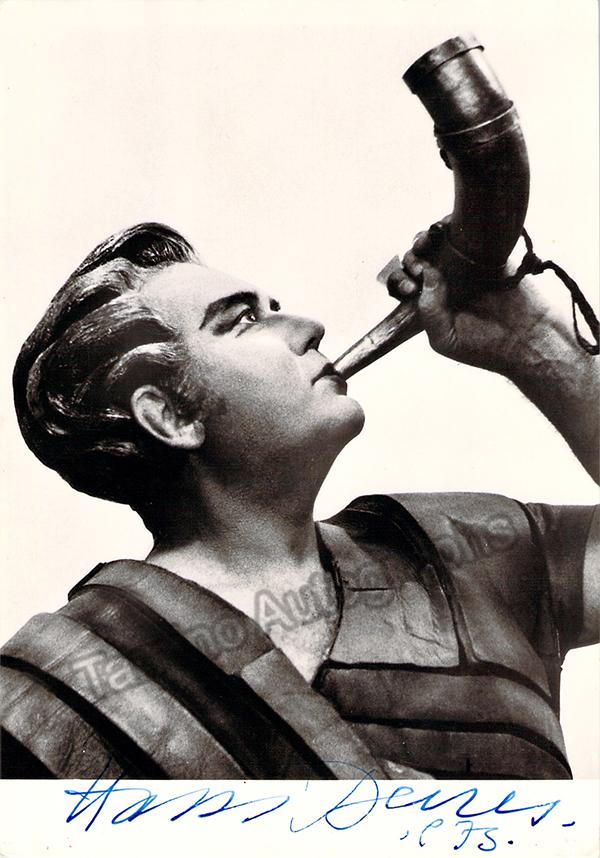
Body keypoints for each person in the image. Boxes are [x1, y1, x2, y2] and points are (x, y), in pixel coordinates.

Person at [1, 222, 597, 780]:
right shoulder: (42, 694)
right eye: (242, 320)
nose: (310, 327)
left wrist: (531, 338)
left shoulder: (474, 550)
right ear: (171, 415)